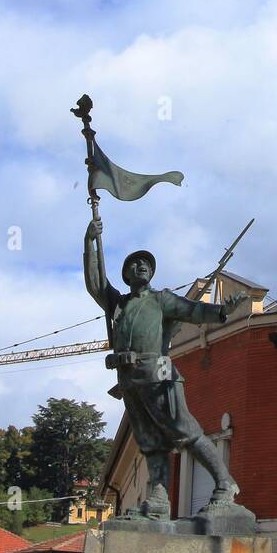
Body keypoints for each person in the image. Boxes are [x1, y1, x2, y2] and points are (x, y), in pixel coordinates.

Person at [83, 217, 245, 517]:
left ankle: (225, 482)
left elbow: (193, 311)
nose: (142, 265)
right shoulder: (118, 305)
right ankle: (158, 498)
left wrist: (222, 311)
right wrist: (90, 243)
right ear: (126, 275)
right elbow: (95, 284)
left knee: (184, 431)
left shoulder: (161, 300)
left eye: (146, 263)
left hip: (158, 373)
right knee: (149, 441)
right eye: (135, 263)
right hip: (129, 380)